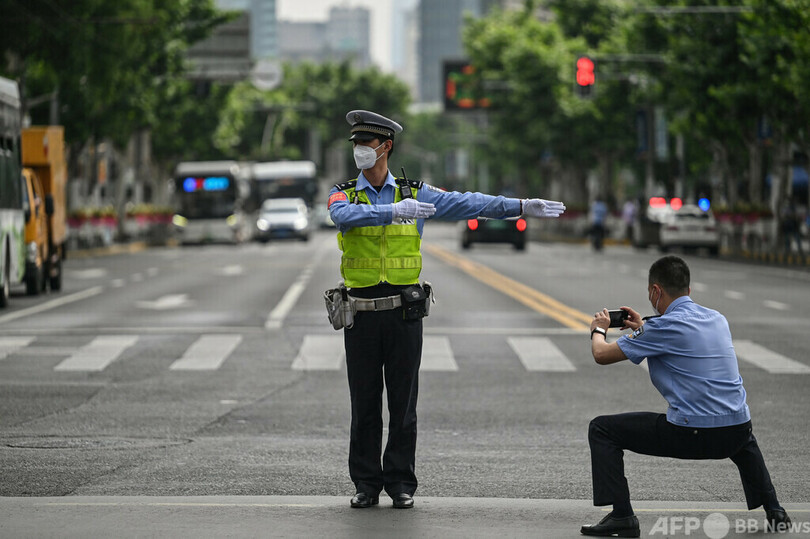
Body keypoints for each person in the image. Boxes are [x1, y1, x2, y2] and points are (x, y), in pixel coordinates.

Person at [328, 110, 566, 510]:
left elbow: (467, 202)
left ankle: (400, 483)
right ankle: (366, 484)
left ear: (386, 147)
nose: (359, 150)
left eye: (366, 143)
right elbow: (340, 216)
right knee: (364, 404)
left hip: (403, 313)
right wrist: (392, 212)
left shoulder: (415, 192)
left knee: (403, 405)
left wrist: (522, 206)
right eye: (356, 144)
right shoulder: (345, 193)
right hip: (361, 315)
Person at [581, 255, 791, 537]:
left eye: (650, 293)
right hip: (737, 432)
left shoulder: (660, 328)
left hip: (693, 435)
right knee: (737, 426)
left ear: (655, 291)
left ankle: (622, 516)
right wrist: (642, 328)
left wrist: (598, 328)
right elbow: (678, 336)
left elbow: (601, 354)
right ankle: (775, 510)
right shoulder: (717, 318)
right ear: (688, 290)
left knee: (602, 429)